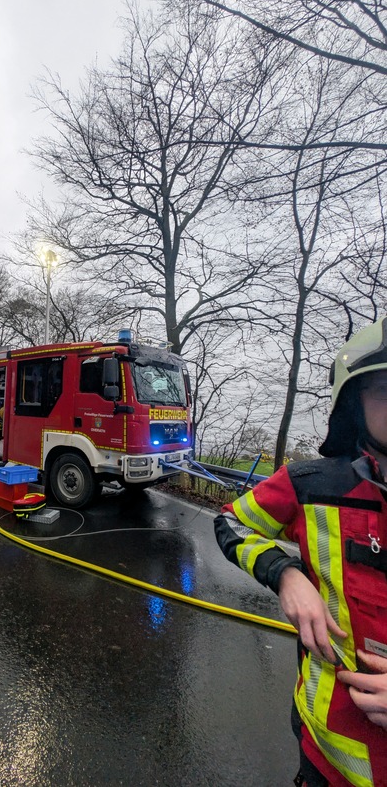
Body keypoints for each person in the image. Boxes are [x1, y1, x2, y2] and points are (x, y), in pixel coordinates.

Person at [215, 318, 387, 787]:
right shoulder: (313, 487)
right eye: (386, 389)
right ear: (354, 402)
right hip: (326, 756)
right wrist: (286, 573)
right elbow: (231, 520)